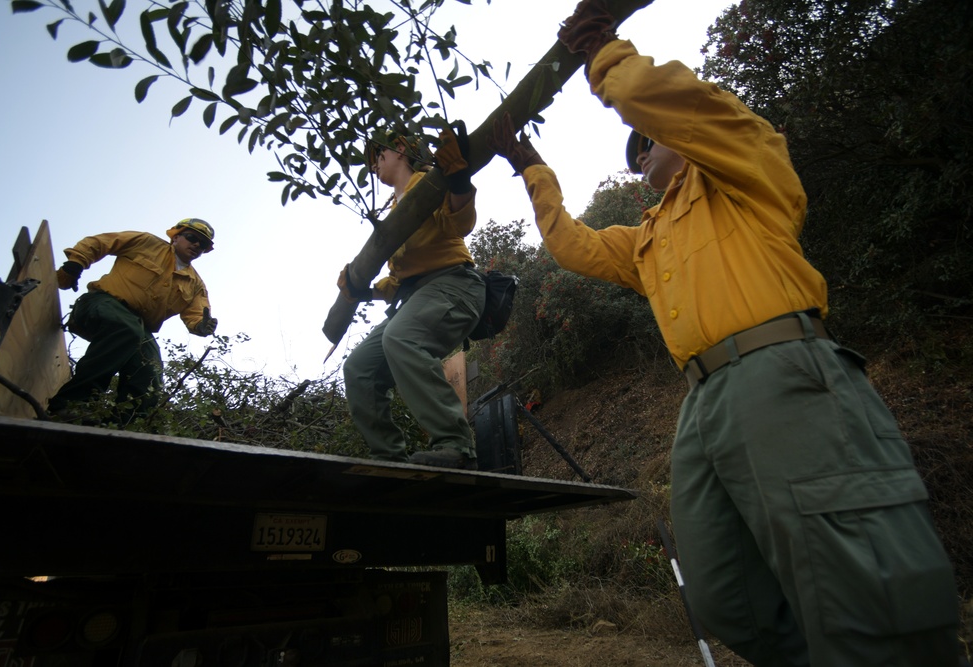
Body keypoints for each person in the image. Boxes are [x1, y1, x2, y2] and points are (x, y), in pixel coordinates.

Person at [488, 1, 962, 664]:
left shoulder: (747, 163)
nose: (641, 149)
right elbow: (574, 245)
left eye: (648, 137)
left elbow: (670, 101)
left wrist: (604, 52)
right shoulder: (651, 238)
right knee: (725, 597)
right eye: (635, 149)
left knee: (868, 597)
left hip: (787, 380)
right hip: (704, 405)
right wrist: (529, 163)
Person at [338, 123, 485, 470]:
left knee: (400, 337)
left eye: (379, 154)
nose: (373, 164)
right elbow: (398, 279)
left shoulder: (428, 183)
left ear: (401, 149)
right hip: (416, 296)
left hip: (455, 285)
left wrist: (460, 179)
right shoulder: (393, 210)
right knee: (360, 368)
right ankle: (388, 458)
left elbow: (460, 222)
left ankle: (455, 445)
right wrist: (365, 290)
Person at [48, 218, 218, 422]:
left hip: (139, 328)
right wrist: (76, 263)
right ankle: (70, 404)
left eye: (203, 244)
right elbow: (101, 242)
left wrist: (202, 325)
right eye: (192, 238)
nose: (197, 245)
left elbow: (197, 314)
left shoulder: (195, 284)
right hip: (102, 303)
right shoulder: (146, 243)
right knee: (126, 330)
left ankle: (124, 428)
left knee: (150, 370)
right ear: (176, 236)